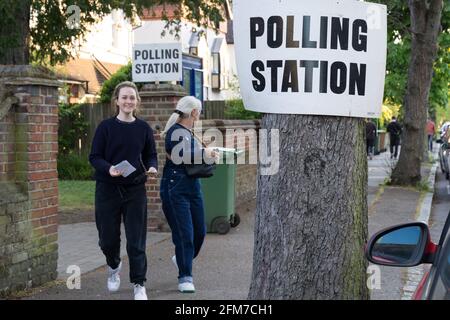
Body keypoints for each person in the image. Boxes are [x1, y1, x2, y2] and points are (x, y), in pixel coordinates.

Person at [89, 81, 158, 300]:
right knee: (107, 239)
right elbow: (94, 157)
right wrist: (109, 169)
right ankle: (113, 264)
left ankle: (139, 283)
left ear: (137, 101)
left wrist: (153, 166)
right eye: (124, 97)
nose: (128, 101)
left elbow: (150, 155)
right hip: (107, 189)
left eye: (132, 97)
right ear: (117, 101)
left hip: (135, 189)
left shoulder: (143, 128)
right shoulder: (105, 127)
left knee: (136, 240)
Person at [159, 96, 218, 293]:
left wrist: (208, 154)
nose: (199, 115)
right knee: (185, 234)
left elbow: (193, 161)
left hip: (193, 188)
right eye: (198, 112)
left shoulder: (188, 132)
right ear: (194, 112)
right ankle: (185, 277)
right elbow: (180, 155)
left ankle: (181, 259)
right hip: (175, 189)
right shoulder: (175, 132)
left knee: (200, 232)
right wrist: (205, 154)